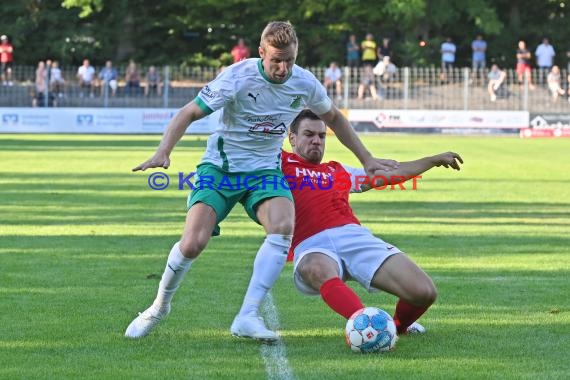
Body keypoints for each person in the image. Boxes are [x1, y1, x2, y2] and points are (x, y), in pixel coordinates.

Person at [124, 21, 397, 342]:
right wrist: (163, 151)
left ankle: (248, 315)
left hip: (265, 172)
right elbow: (188, 112)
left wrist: (367, 160)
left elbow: (334, 118)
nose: (283, 68)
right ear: (261, 54)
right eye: (276, 60)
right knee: (193, 243)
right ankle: (159, 306)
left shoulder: (304, 83)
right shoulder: (237, 77)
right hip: (221, 169)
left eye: (289, 61)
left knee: (283, 226)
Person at [282, 109, 463, 335]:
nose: (316, 141)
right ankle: (368, 327)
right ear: (292, 138)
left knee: (424, 292)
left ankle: (397, 327)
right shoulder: (279, 164)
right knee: (316, 268)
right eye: (309, 134)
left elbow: (388, 175)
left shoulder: (337, 171)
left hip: (353, 236)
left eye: (321, 136)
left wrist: (432, 160)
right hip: (311, 244)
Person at [357, 33, 379, 100]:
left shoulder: (373, 43)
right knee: (365, 83)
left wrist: (368, 47)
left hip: (371, 59)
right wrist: (369, 48)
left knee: (370, 83)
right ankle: (360, 96)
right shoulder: (364, 42)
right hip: (366, 59)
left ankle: (373, 97)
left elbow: (374, 48)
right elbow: (363, 48)